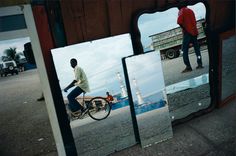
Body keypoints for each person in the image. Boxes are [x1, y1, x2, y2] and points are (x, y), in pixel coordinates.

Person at [177, 5, 204, 73]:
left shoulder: (181, 10)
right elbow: (194, 22)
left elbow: (179, 22)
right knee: (197, 49)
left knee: (183, 50)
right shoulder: (191, 10)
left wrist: (185, 29)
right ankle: (200, 64)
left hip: (187, 33)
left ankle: (188, 67)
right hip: (194, 32)